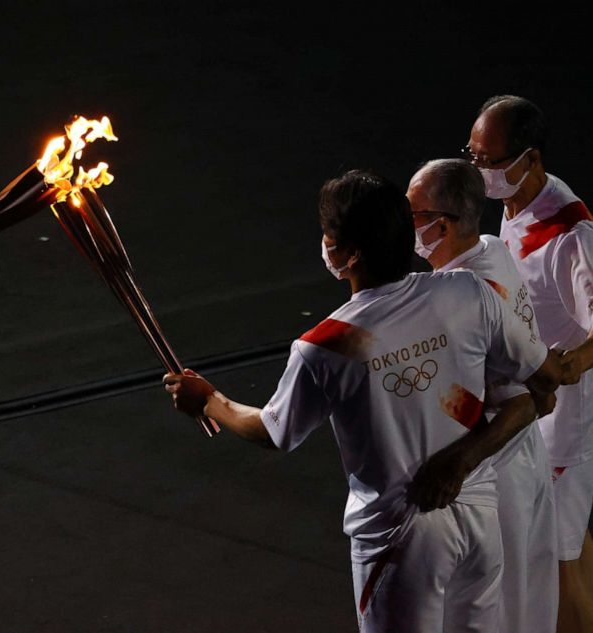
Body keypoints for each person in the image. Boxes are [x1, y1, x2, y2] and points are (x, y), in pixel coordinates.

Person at [164, 170, 560, 632]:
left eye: (328, 235)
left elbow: (273, 432)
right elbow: (542, 385)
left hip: (399, 537)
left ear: (347, 254)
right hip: (477, 521)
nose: (324, 243)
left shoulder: (326, 344)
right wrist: (462, 460)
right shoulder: (467, 293)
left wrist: (208, 400)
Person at [407, 158, 558, 632]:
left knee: (503, 610)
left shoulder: (461, 293)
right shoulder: (492, 248)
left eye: (412, 213)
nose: (402, 223)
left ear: (442, 224)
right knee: (531, 600)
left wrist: (456, 464)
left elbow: (528, 401)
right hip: (528, 459)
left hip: (500, 469)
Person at [466, 95, 593, 632]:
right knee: (573, 545)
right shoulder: (515, 202)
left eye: (490, 162)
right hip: (530, 418)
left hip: (563, 428)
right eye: (473, 157)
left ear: (530, 158)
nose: (482, 172)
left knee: (557, 566)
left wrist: (564, 370)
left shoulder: (570, 234)